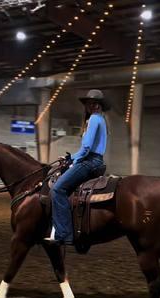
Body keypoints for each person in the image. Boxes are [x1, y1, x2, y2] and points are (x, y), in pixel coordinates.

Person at [44, 89, 110, 245]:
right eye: (87, 103)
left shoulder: (93, 119)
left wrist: (73, 160)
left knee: (58, 190)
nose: (88, 106)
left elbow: (86, 148)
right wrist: (70, 157)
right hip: (96, 160)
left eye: (91, 103)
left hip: (89, 161)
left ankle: (64, 234)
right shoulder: (102, 120)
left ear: (97, 105)